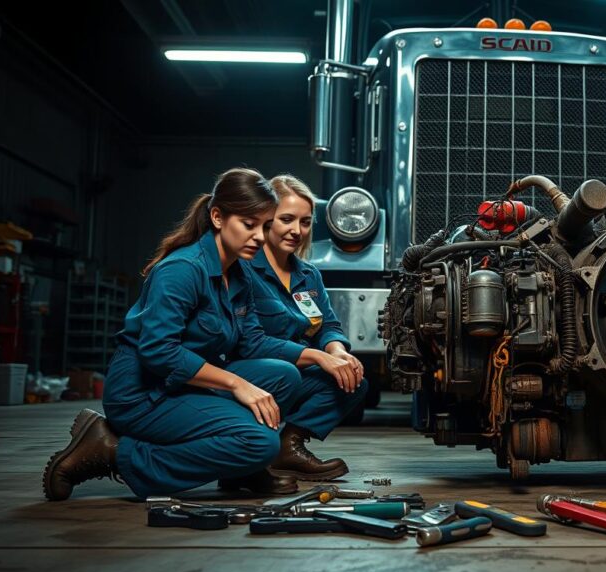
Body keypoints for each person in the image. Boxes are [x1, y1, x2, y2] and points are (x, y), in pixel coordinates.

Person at [43, 168, 362, 501]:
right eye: (248, 225)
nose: (258, 236)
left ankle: (241, 469)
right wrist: (238, 384)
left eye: (264, 226)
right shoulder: (183, 269)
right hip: (145, 393)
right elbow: (158, 352)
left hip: (187, 383)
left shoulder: (237, 274)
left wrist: (320, 355)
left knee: (284, 377)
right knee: (260, 443)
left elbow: (252, 342)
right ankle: (114, 452)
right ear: (217, 217)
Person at [244, 174, 367, 480]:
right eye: (287, 219)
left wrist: (337, 351)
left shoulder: (308, 274)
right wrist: (318, 357)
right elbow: (250, 341)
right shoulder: (245, 269)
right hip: (253, 368)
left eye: (305, 222)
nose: (296, 231)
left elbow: (328, 324)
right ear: (267, 219)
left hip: (295, 369)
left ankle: (290, 445)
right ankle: (252, 451)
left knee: (353, 380)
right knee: (282, 372)